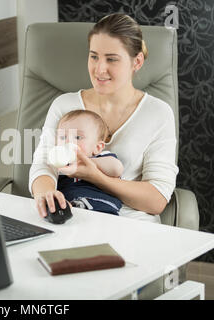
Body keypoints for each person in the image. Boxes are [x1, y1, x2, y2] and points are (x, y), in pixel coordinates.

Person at [29, 13, 179, 223]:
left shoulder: (158, 113)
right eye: (94, 56)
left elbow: (156, 200)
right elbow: (44, 166)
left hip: (130, 225)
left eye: (111, 59)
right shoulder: (64, 105)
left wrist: (96, 176)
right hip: (71, 217)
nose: (99, 69)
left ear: (137, 62)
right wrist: (46, 195)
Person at [54, 109, 124, 215]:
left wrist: (87, 161)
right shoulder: (61, 163)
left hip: (100, 204)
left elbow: (116, 169)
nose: (68, 142)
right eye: (63, 137)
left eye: (77, 137)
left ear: (97, 147)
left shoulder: (102, 157)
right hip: (69, 205)